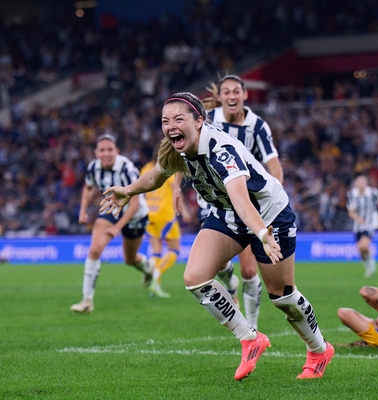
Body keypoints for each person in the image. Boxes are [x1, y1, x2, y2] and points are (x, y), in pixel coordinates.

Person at [99, 92, 334, 380]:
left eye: (178, 119)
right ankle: (251, 338)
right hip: (228, 214)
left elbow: (243, 201)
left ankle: (319, 349)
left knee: (283, 297)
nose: (170, 126)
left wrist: (262, 233)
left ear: (198, 121)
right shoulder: (176, 148)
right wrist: (129, 190)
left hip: (269, 216)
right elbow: (156, 176)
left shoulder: (221, 150)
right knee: (194, 277)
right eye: (165, 120)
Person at [197, 74, 284, 329]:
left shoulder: (257, 127)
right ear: (220, 97)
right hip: (213, 202)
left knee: (248, 271)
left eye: (237, 91)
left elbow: (274, 166)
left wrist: (273, 199)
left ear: (245, 95)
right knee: (219, 265)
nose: (232, 96)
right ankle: (230, 283)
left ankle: (253, 327)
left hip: (244, 203)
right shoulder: (209, 121)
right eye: (227, 92)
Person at [70, 133, 154, 314]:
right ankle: (87, 301)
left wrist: (118, 227)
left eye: (110, 149)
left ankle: (149, 269)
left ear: (116, 151)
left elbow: (135, 203)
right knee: (94, 251)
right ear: (96, 152)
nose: (106, 153)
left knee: (130, 259)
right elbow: (89, 187)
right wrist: (83, 210)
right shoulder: (93, 167)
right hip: (111, 210)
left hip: (135, 216)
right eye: (102, 150)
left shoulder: (127, 169)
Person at [140, 146, 192, 298]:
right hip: (165, 215)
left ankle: (154, 283)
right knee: (174, 250)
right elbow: (176, 190)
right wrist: (184, 210)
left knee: (156, 251)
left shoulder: (145, 169)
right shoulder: (167, 167)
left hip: (149, 214)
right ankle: (157, 272)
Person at [346, 174, 378, 277]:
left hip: (371, 223)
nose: (361, 184)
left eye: (363, 181)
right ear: (355, 183)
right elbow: (351, 211)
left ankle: (371, 264)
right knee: (360, 251)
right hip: (358, 225)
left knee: (363, 245)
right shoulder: (352, 195)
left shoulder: (373, 193)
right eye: (358, 181)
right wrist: (358, 218)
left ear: (366, 183)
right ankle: (368, 266)